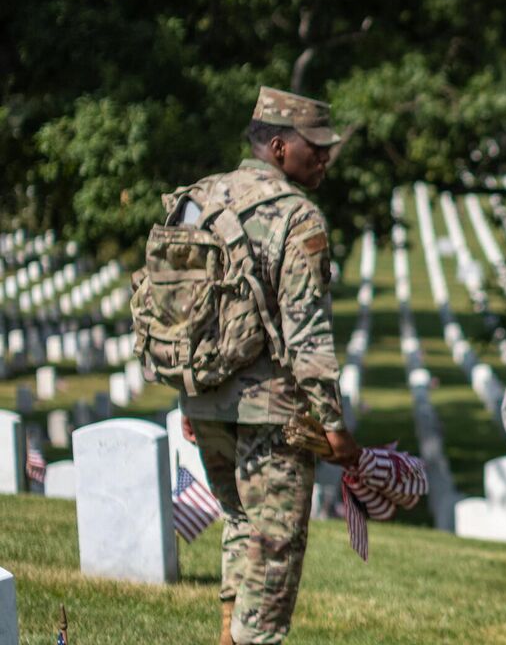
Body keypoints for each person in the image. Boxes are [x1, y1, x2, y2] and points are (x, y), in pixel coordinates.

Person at [179, 86, 361, 645]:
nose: (325, 157)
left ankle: (229, 635)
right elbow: (308, 332)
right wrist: (333, 424)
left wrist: (185, 394)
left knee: (241, 524)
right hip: (272, 412)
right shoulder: (298, 216)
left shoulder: (197, 200)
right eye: (315, 147)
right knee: (276, 545)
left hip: (205, 398)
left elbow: (179, 309)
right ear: (280, 148)